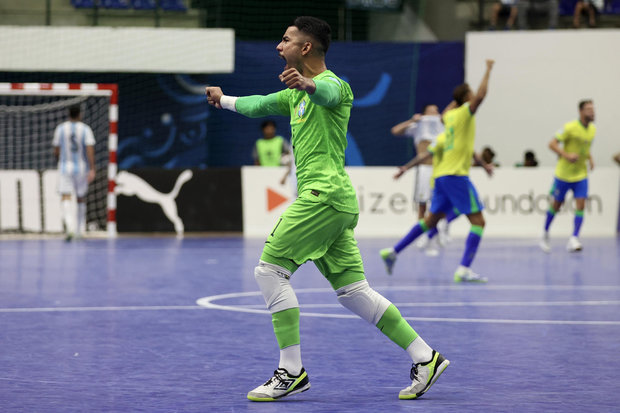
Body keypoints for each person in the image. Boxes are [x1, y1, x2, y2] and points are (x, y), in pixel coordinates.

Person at [205, 16, 449, 402]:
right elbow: (259, 104)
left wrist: (309, 84)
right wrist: (223, 100)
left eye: (285, 39)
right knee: (353, 292)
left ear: (305, 48)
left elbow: (327, 93)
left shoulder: (335, 85)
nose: (278, 46)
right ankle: (426, 357)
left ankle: (291, 370)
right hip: (335, 203)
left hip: (323, 197)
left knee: (269, 271)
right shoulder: (293, 96)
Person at [381, 59, 495, 283]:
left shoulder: (449, 120)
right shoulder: (464, 114)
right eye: (470, 94)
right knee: (479, 222)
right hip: (456, 177)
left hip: (441, 177)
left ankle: (393, 252)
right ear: (466, 99)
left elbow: (444, 115)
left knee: (430, 221)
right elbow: (481, 96)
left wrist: (457, 99)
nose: (474, 96)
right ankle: (464, 269)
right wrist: (488, 70)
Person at [387, 133, 494, 263]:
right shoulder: (450, 137)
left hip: (439, 181)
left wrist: (406, 168)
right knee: (473, 217)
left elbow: (471, 153)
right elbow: (425, 155)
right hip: (452, 179)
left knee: (432, 219)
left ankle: (399, 249)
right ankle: (462, 265)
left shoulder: (444, 138)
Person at [539, 99, 595, 253]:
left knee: (581, 205)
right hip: (563, 175)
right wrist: (566, 155)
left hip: (581, 175)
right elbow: (552, 144)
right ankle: (545, 232)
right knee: (556, 205)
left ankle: (574, 238)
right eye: (589, 109)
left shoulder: (592, 130)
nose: (592, 112)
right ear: (581, 112)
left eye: (593, 109)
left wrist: (590, 158)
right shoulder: (570, 127)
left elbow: (585, 147)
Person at [390, 104, 444, 250]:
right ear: (424, 113)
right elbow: (395, 131)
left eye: (437, 111)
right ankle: (425, 235)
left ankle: (436, 233)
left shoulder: (443, 126)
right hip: (424, 170)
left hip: (440, 170)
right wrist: (412, 121)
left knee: (440, 205)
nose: (435, 113)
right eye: (432, 111)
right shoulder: (418, 127)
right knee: (422, 206)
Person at [52, 105, 96, 241]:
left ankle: (69, 230)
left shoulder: (60, 128)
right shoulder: (85, 129)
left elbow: (56, 149)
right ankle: (80, 230)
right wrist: (92, 168)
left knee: (65, 196)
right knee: (80, 197)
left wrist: (58, 160)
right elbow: (89, 149)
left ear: (68, 114)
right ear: (80, 114)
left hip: (65, 167)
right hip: (81, 168)